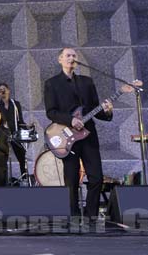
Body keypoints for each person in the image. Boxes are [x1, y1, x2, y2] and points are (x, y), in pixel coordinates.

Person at [44, 47, 113, 222]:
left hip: (88, 136)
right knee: (72, 180)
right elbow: (51, 112)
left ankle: (91, 217)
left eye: (74, 55)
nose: (71, 58)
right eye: (68, 55)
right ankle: (74, 218)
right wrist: (70, 120)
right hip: (68, 137)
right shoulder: (52, 83)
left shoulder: (86, 82)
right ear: (60, 59)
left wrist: (107, 112)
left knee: (96, 177)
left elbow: (95, 110)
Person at [0, 83, 28, 180]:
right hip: (2, 136)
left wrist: (27, 127)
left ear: (8, 90)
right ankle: (3, 181)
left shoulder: (16, 104)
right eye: (0, 90)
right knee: (2, 159)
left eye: (4, 89)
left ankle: (24, 179)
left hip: (15, 134)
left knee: (22, 157)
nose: (3, 91)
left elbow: (20, 120)